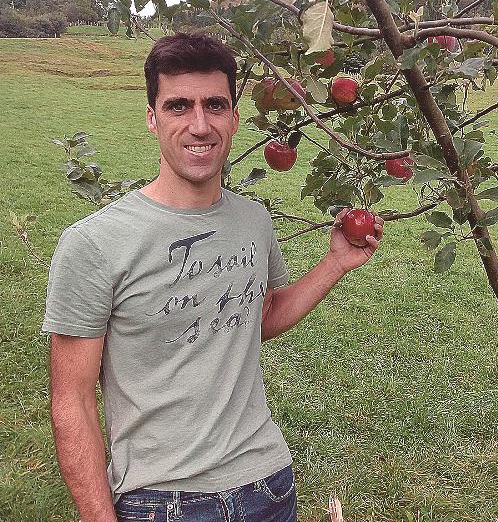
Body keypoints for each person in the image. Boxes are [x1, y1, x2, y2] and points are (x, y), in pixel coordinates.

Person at [43, 33, 383, 522]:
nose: (199, 125)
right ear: (151, 118)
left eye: (215, 105)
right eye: (179, 106)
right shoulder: (94, 244)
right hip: (161, 500)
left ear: (234, 118)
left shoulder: (253, 220)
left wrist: (334, 264)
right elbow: (71, 399)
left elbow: (256, 317)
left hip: (267, 485)